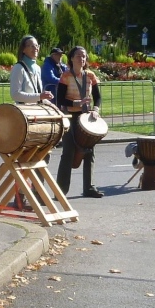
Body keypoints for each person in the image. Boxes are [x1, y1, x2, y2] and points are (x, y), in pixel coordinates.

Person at [9, 35, 54, 205]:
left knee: (43, 155)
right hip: (24, 117)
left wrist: (49, 103)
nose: (36, 49)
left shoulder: (37, 67)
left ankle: (37, 192)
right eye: (32, 46)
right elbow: (15, 95)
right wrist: (39, 96)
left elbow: (37, 94)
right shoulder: (18, 68)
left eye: (37, 45)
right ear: (23, 49)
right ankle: (20, 197)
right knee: (25, 159)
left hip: (37, 115)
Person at [56, 46, 104, 198]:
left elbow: (98, 97)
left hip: (86, 117)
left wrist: (95, 110)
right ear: (71, 58)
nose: (81, 58)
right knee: (68, 151)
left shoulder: (90, 75)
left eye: (84, 56)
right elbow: (60, 99)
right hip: (69, 116)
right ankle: (61, 190)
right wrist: (76, 103)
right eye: (78, 56)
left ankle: (89, 187)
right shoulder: (65, 76)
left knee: (89, 151)